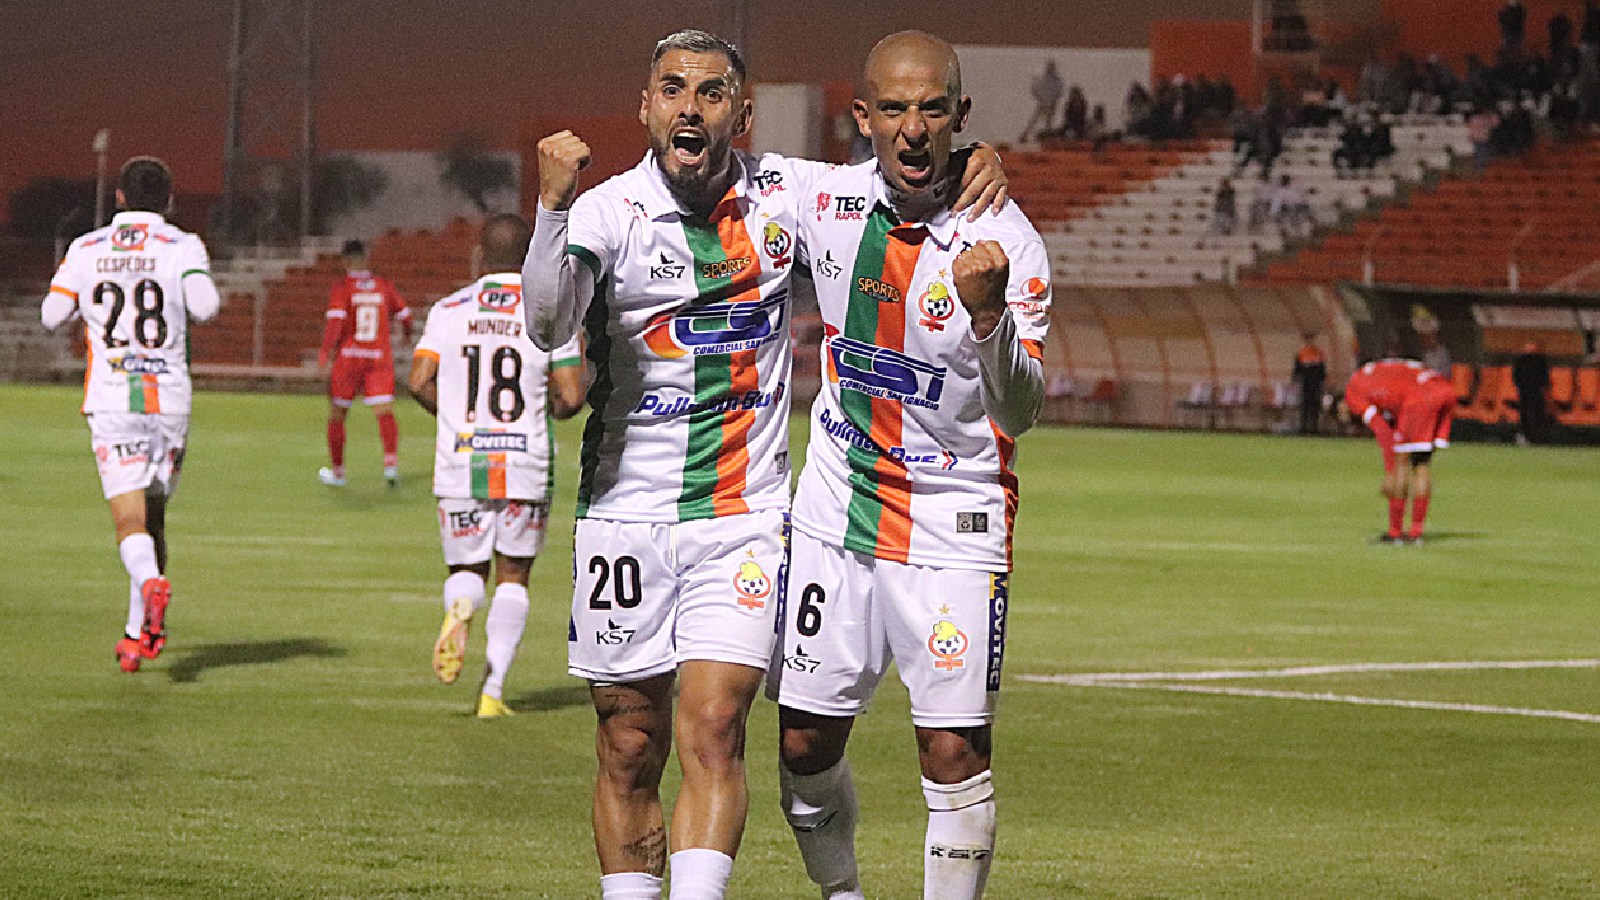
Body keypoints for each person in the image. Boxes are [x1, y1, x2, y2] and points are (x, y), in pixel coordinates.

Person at [521, 28, 1010, 900]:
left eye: (712, 94)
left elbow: (898, 166)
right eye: (672, 89)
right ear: (645, 106)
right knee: (629, 744)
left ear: (742, 115)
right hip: (623, 515)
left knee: (714, 727)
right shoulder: (605, 212)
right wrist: (551, 209)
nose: (689, 107)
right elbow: (550, 324)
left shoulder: (789, 195)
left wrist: (971, 156)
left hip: (744, 513)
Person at [770, 31, 1050, 900]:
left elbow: (1022, 411)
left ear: (959, 116)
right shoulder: (824, 198)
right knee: (802, 746)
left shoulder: (1009, 242)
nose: (913, 128)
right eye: (893, 108)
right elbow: (713, 173)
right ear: (863, 116)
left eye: (933, 108)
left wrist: (990, 317)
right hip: (837, 509)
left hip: (954, 517)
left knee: (954, 749)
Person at [39, 157, 221, 672]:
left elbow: (52, 316)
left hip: (113, 397)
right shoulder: (182, 245)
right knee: (155, 517)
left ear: (118, 197)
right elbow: (205, 307)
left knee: (129, 520)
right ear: (168, 201)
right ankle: (134, 635)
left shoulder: (87, 248)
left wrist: (87, 303)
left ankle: (149, 588)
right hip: (168, 400)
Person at [406, 214, 585, 716]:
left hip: (462, 458)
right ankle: (493, 691)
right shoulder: (549, 312)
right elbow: (571, 396)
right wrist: (540, 407)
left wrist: (461, 417)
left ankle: (460, 605)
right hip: (523, 459)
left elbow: (419, 380)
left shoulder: (450, 308)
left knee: (467, 568)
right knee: (513, 576)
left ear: (479, 257)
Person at [318, 239, 412, 488]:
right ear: (366, 259)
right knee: (384, 411)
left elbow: (336, 323)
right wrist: (406, 336)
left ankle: (338, 474)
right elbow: (405, 315)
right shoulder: (383, 286)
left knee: (338, 414)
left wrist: (325, 354)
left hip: (349, 358)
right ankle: (391, 467)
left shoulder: (343, 287)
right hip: (378, 357)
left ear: (345, 261)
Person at [1343, 358, 1455, 544]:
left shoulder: (1352, 395)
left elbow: (1382, 431)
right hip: (1444, 389)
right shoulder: (1372, 373)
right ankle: (1416, 533)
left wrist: (1390, 473)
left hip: (1421, 397)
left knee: (1402, 462)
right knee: (1421, 463)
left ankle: (1395, 534)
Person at [1512, 340, 1551, 445]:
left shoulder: (1521, 361)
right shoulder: (1540, 361)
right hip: (1532, 392)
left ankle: (1530, 437)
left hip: (1527, 391)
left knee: (1529, 415)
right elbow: (1545, 378)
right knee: (1532, 414)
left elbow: (1516, 377)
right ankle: (1531, 437)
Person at [1019, 61, 1063, 142]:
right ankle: (1025, 135)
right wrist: (1040, 99)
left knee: (1048, 121)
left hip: (1051, 103)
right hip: (1042, 103)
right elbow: (1034, 89)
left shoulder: (1057, 80)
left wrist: (1054, 102)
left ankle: (1048, 136)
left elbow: (1059, 91)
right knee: (1034, 120)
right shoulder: (1041, 78)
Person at [1292, 333, 1326, 434]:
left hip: (1315, 384)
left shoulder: (1318, 353)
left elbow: (1322, 370)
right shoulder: (1301, 354)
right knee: (1305, 406)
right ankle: (1304, 428)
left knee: (1315, 406)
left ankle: (1314, 428)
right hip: (1305, 384)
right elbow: (1297, 370)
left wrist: (1322, 381)